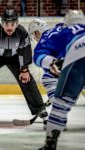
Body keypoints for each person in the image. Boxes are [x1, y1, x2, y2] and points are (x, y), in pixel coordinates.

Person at [38, 9, 85, 150]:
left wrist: (52, 63)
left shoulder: (60, 31)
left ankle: (50, 143)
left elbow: (39, 55)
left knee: (60, 105)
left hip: (77, 58)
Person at [28, 19, 65, 128]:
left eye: (34, 35)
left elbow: (42, 61)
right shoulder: (61, 27)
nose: (35, 38)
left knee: (48, 78)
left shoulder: (42, 43)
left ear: (36, 32)